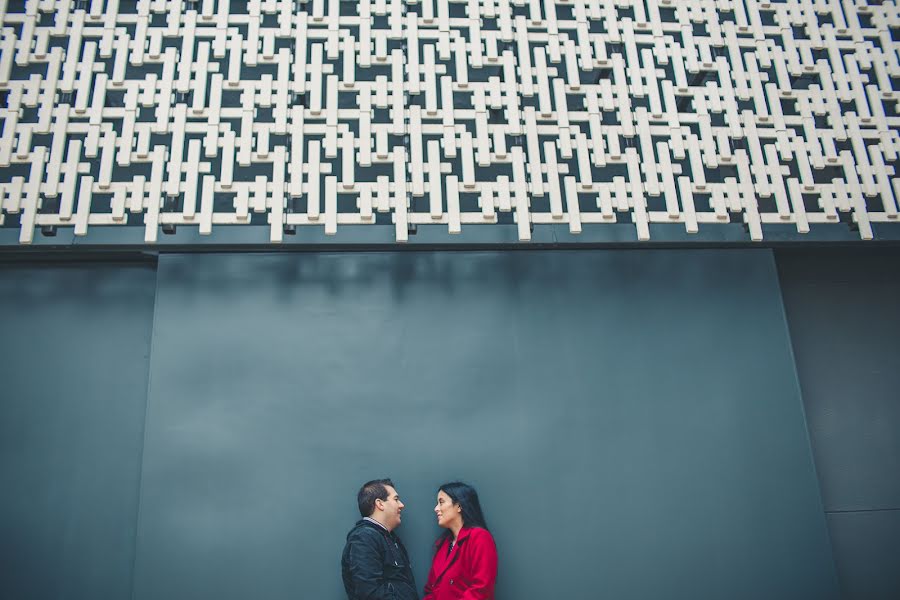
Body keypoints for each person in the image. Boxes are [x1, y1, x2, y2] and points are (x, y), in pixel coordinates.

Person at [342, 479, 419, 600]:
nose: (401, 505)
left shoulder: (388, 538)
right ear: (380, 504)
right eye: (396, 499)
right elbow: (369, 592)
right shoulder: (364, 538)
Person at [423, 482, 498, 600]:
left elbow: (481, 589)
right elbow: (430, 589)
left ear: (459, 506)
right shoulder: (442, 544)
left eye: (441, 502)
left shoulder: (480, 537)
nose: (436, 508)